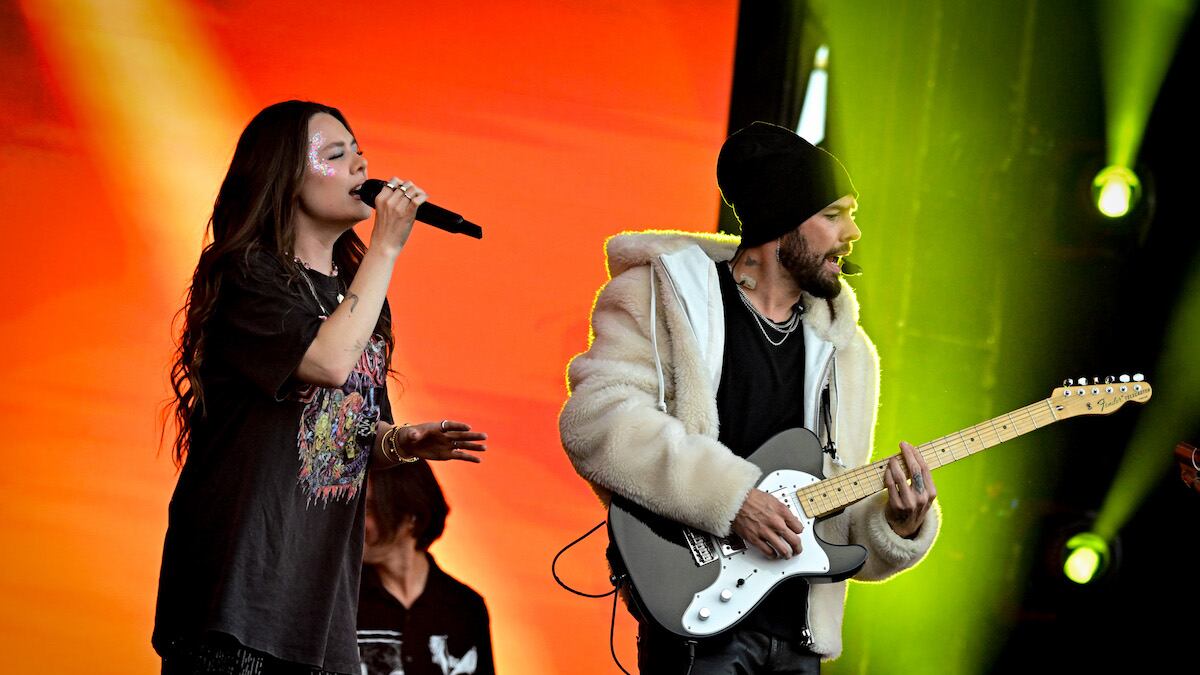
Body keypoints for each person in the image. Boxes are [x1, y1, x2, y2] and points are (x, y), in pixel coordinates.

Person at [559, 121, 940, 673]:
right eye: (834, 214)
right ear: (780, 222)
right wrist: (732, 498)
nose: (852, 231)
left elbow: (830, 510)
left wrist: (895, 525)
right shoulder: (663, 297)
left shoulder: (847, 349)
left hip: (798, 636)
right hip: (696, 617)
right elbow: (597, 421)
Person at [154, 100, 487, 675]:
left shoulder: (353, 301)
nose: (360, 163)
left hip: (317, 607)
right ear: (284, 178)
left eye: (359, 150)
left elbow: (349, 431)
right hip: (237, 598)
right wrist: (385, 247)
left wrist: (404, 442)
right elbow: (328, 363)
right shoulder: (249, 276)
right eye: (336, 154)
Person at [357, 461, 495, 675]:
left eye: (368, 509)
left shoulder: (466, 607)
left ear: (411, 516)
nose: (354, 523)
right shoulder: (338, 602)